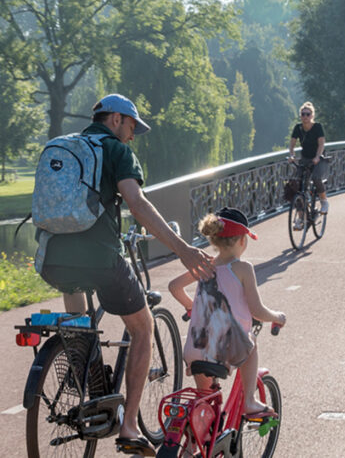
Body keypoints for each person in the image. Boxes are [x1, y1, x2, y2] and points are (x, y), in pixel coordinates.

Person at [38, 93, 215, 457]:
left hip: (52, 256)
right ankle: (130, 427)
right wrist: (182, 249)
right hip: (99, 255)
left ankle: (90, 384)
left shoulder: (66, 147)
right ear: (116, 119)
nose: (133, 136)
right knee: (143, 328)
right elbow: (137, 203)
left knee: (78, 320)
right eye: (133, 126)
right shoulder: (115, 150)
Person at [168, 207, 286, 418]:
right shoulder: (242, 268)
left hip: (194, 350)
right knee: (251, 343)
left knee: (204, 400)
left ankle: (194, 446)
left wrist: (192, 307)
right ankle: (249, 401)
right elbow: (257, 311)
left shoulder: (204, 265)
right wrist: (278, 317)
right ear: (242, 240)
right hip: (224, 350)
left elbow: (174, 287)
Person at [287, 101, 329, 223]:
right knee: (298, 187)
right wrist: (291, 155)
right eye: (303, 114)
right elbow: (292, 143)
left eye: (307, 114)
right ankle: (301, 217)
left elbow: (321, 143)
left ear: (312, 115)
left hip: (318, 158)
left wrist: (317, 156)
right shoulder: (298, 128)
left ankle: (324, 201)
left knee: (316, 178)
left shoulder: (317, 127)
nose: (305, 117)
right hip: (305, 158)